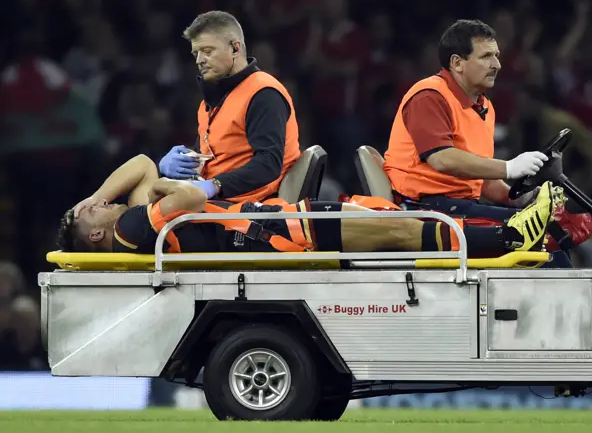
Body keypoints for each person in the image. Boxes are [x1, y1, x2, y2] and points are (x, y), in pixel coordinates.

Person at [56, 155, 561, 258]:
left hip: (277, 222)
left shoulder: (130, 219)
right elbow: (187, 195)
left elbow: (142, 164)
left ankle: (510, 230)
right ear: (97, 234)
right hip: (280, 231)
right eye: (90, 212)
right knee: (402, 232)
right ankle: (507, 237)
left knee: (398, 225)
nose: (99, 205)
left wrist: (95, 196)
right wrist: (179, 187)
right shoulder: (133, 230)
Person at [383, 19, 549, 221]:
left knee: (549, 227)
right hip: (423, 209)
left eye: (496, 55)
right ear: (457, 63)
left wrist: (517, 198)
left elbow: (479, 178)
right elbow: (441, 159)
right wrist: (508, 168)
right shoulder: (429, 97)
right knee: (535, 230)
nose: (497, 64)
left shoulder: (484, 106)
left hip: (457, 207)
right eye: (486, 56)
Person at [151, 10, 301, 203]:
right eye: (196, 53)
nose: (199, 60)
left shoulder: (263, 93)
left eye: (207, 51)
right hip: (216, 204)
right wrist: (181, 161)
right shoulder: (211, 103)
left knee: (139, 203)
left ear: (235, 49)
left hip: (245, 210)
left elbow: (268, 164)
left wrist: (214, 185)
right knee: (143, 174)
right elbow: (210, 157)